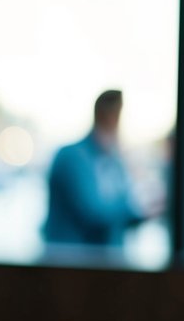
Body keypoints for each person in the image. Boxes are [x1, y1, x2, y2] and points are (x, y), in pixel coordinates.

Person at [42, 90, 151, 248]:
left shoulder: (113, 160)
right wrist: (138, 209)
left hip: (104, 262)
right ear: (113, 118)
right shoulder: (72, 157)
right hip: (72, 263)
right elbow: (93, 213)